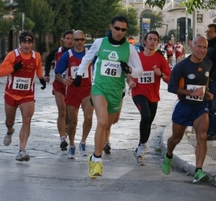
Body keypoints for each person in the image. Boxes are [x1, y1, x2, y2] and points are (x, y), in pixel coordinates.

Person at [75, 15, 143, 178]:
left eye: (123, 29)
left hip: (116, 91)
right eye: (117, 28)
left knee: (108, 124)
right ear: (111, 27)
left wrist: (128, 70)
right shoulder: (99, 43)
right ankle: (97, 161)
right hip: (99, 88)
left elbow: (139, 70)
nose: (120, 32)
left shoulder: (129, 48)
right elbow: (87, 58)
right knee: (102, 121)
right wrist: (79, 74)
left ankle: (93, 156)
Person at [162, 36, 213, 182]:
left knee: (202, 136)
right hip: (183, 107)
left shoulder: (208, 64)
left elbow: (205, 82)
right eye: (199, 47)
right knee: (175, 138)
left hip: (200, 107)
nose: (202, 50)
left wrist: (206, 92)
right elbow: (171, 87)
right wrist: (191, 93)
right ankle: (169, 155)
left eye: (204, 47)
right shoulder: (181, 66)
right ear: (192, 46)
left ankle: (198, 171)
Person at [0, 31, 46, 161]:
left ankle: (22, 150)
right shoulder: (12, 55)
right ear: (20, 43)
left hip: (27, 95)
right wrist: (13, 68)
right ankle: (9, 130)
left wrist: (41, 78)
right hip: (11, 94)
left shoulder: (36, 56)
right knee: (9, 121)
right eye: (24, 42)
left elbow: (38, 68)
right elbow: (0, 72)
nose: (26, 45)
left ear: (32, 44)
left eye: (29, 42)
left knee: (27, 120)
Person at [129, 30, 171, 165]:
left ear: (158, 43)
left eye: (155, 40)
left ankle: (141, 146)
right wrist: (130, 81)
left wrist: (160, 75)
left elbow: (170, 79)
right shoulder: (137, 57)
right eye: (150, 39)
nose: (153, 42)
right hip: (138, 92)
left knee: (149, 121)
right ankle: (142, 148)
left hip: (153, 96)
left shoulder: (160, 59)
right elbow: (127, 72)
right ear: (145, 42)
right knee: (145, 116)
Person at [55, 30, 93, 159]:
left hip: (87, 88)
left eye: (82, 40)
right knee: (72, 122)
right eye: (76, 40)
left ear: (84, 40)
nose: (79, 42)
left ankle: (83, 142)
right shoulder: (67, 55)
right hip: (72, 90)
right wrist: (63, 80)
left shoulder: (89, 54)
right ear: (73, 41)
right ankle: (71, 145)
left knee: (88, 117)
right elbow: (57, 73)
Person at [44, 30, 73, 151]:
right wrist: (46, 74)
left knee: (69, 114)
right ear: (63, 39)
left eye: (72, 38)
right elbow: (48, 60)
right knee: (62, 111)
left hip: (72, 86)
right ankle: (62, 139)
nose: (69, 41)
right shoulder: (57, 51)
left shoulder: (77, 52)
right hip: (59, 84)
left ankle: (66, 128)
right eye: (67, 38)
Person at [205, 23, 216, 141]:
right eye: (207, 32)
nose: (208, 34)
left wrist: (212, 77)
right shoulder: (208, 44)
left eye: (210, 32)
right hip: (207, 80)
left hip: (214, 81)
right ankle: (209, 130)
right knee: (208, 107)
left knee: (215, 107)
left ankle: (215, 131)